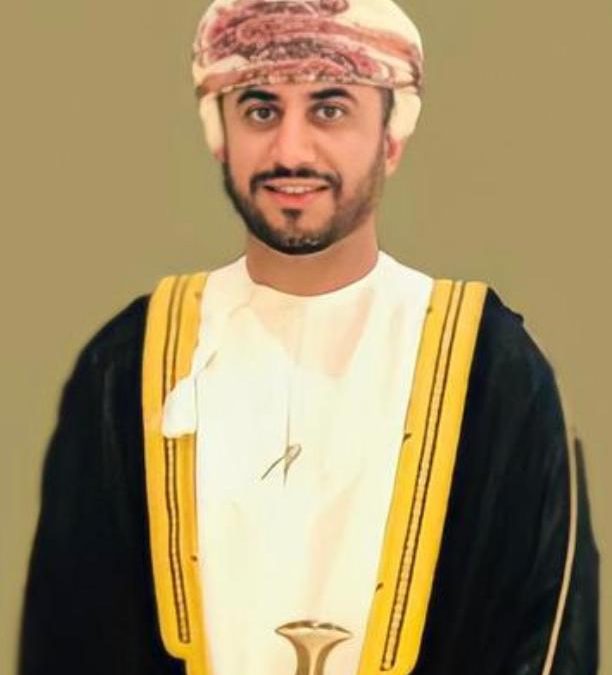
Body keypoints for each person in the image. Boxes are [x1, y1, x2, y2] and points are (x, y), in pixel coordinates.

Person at [19, 0, 598, 674]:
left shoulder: (492, 368)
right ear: (220, 135)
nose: (291, 151)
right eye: (261, 111)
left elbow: (546, 641)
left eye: (329, 109)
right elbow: (67, 640)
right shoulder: (126, 365)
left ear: (391, 138)